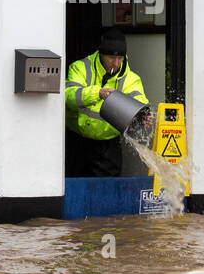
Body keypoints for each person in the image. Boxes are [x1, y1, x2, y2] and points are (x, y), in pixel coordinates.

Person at [64, 28, 150, 177]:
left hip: (107, 146)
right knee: (72, 188)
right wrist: (97, 93)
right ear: (101, 54)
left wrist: (143, 115)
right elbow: (68, 96)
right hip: (76, 141)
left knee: (107, 191)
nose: (116, 63)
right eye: (111, 57)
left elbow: (139, 101)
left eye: (120, 58)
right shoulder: (80, 67)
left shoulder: (131, 79)